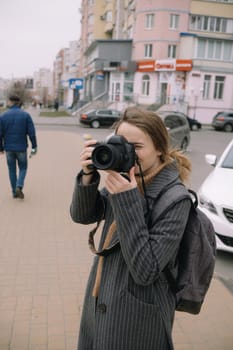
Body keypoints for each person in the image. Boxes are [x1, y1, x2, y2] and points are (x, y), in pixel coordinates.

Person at [70, 107, 192, 350]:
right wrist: (87, 176)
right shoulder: (126, 177)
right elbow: (82, 216)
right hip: (103, 299)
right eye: (120, 144)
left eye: (136, 147)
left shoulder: (176, 199)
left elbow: (146, 270)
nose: (126, 153)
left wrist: (126, 199)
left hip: (138, 316)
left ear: (159, 148)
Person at [0, 94, 37, 199]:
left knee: (11, 170)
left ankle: (14, 192)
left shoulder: (3, 116)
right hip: (21, 148)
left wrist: (1, 148)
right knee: (23, 168)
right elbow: (32, 133)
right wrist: (34, 146)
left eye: (8, 101)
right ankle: (19, 186)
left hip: (9, 149)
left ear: (11, 102)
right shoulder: (25, 115)